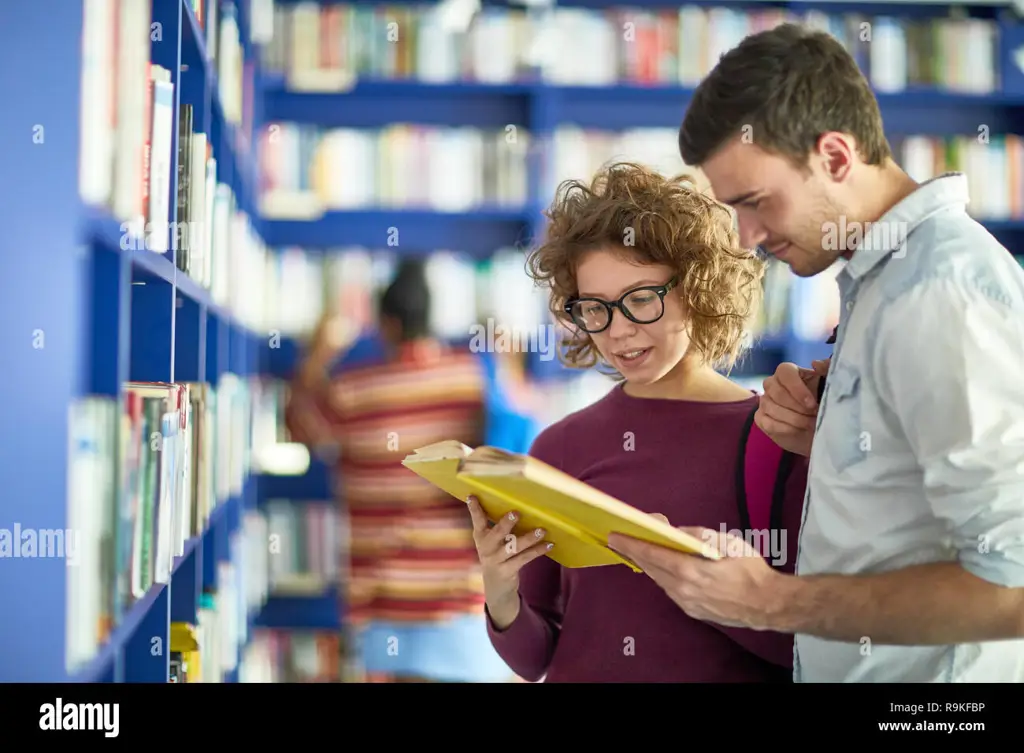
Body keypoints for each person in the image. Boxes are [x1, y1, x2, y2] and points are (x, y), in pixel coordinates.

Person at [609, 22, 1024, 683]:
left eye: (754, 202)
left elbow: (1014, 587)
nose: (744, 240)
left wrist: (768, 600)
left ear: (834, 156)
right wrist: (840, 441)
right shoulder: (879, 280)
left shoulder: (939, 292)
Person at [472, 161, 810, 682]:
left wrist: (711, 588)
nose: (619, 332)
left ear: (697, 286)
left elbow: (805, 651)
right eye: (596, 308)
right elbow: (536, 659)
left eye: (640, 300)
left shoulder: (776, 437)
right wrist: (500, 591)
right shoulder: (560, 446)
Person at [285, 259, 517, 682]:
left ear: (385, 324)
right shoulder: (471, 378)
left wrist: (315, 358)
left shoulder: (352, 389)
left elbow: (298, 425)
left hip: (381, 599)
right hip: (460, 596)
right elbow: (517, 440)